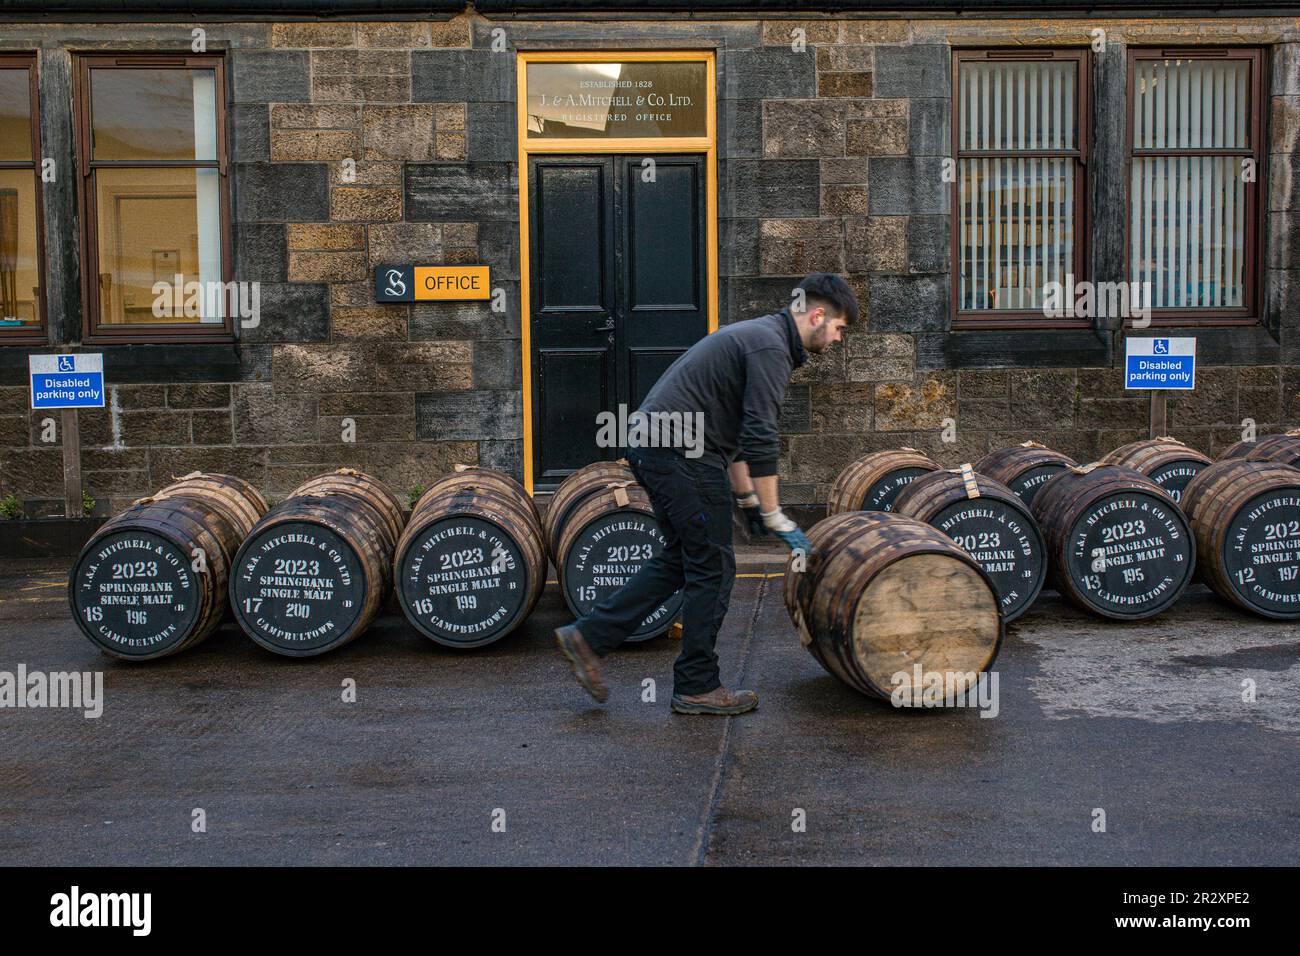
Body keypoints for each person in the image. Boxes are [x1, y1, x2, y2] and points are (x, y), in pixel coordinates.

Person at [554, 273, 859, 716]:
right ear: (817, 315)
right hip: (679, 451)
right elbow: (760, 436)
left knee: (684, 559)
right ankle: (697, 685)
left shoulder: (762, 338)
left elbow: (731, 431)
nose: (836, 338)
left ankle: (589, 636)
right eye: (838, 328)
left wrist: (748, 500)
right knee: (713, 567)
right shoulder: (770, 347)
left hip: (666, 447)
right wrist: (776, 515)